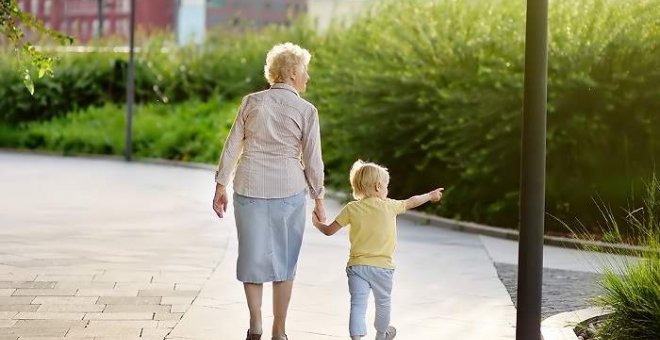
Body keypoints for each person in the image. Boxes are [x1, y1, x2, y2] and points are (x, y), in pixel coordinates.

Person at [212, 42, 326, 340]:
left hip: (249, 188)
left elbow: (232, 145)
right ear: (291, 73)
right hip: (289, 191)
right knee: (285, 262)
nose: (307, 77)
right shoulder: (307, 110)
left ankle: (256, 324)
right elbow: (314, 160)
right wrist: (319, 199)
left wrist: (221, 184)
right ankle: (280, 330)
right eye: (305, 71)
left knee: (252, 258)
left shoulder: (251, 102)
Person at [312, 160, 443, 340]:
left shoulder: (351, 208)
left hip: (357, 267)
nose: (387, 190)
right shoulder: (390, 205)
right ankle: (382, 334)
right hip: (383, 268)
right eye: (386, 186)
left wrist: (317, 224)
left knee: (358, 304)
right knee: (383, 303)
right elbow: (412, 201)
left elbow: (329, 231)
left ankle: (356, 337)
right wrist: (430, 195)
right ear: (378, 186)